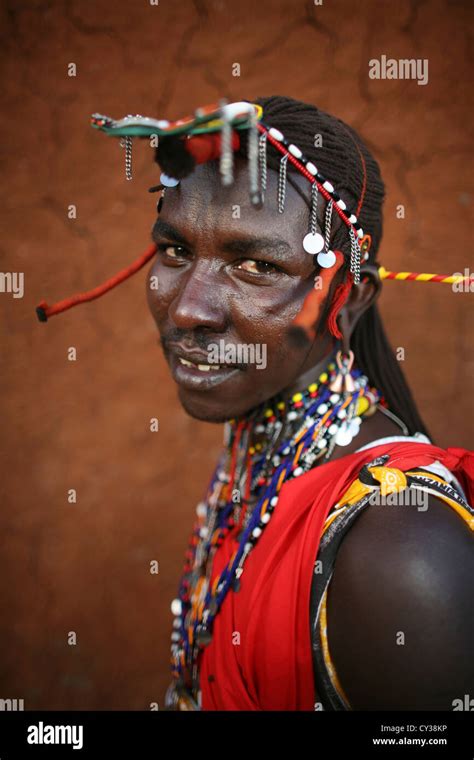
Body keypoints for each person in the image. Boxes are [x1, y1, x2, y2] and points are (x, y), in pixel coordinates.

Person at [36, 96, 473, 711]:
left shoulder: (401, 552)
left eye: (255, 265)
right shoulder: (262, 451)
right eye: (177, 251)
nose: (189, 308)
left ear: (347, 301)